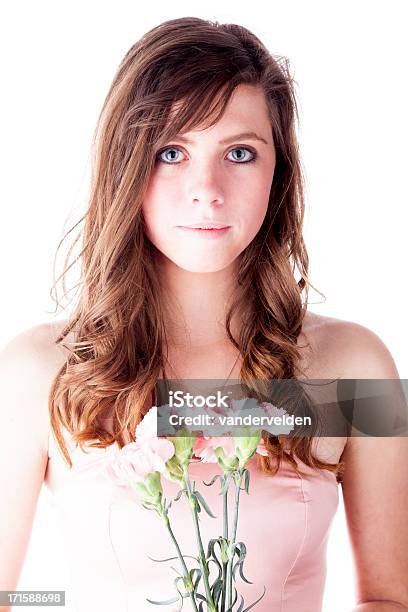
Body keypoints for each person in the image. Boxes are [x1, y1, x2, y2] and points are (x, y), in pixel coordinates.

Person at [1, 16, 407, 612]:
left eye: (239, 153)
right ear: (125, 167)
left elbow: (389, 597)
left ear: (280, 173)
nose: (207, 189)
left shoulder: (355, 368)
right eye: (171, 152)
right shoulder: (39, 371)